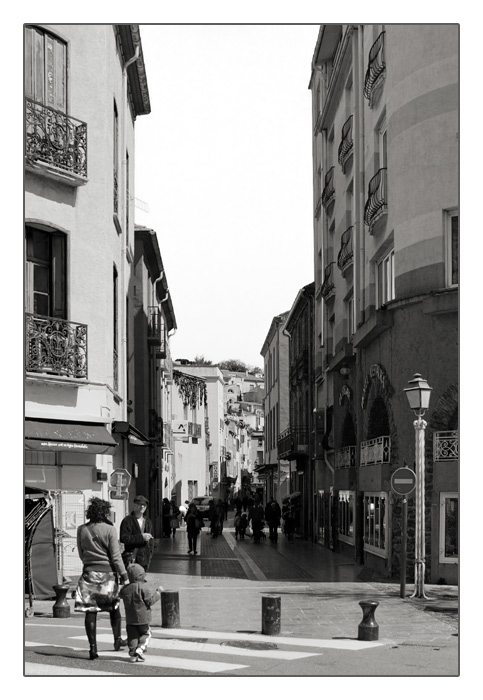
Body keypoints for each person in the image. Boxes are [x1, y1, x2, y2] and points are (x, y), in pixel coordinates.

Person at [74, 497, 129, 660]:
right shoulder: (110, 529)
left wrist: (90, 564)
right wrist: (124, 575)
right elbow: (116, 556)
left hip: (89, 574)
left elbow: (81, 553)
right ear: (105, 511)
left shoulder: (81, 529)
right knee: (114, 608)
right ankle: (117, 640)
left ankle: (93, 648)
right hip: (108, 575)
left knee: (90, 612)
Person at [119, 563, 163, 662]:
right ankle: (141, 648)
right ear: (141, 576)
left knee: (132, 636)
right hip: (143, 618)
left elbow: (120, 594)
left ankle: (132, 654)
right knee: (147, 633)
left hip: (130, 619)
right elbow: (150, 601)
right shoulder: (143, 588)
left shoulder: (125, 589)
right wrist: (158, 593)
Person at [119, 495, 154, 572]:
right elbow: (123, 538)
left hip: (144, 560)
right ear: (134, 505)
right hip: (132, 558)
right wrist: (141, 537)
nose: (142, 507)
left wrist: (149, 555)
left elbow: (151, 540)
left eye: (144, 505)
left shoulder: (147, 521)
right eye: (139, 504)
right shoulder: (127, 520)